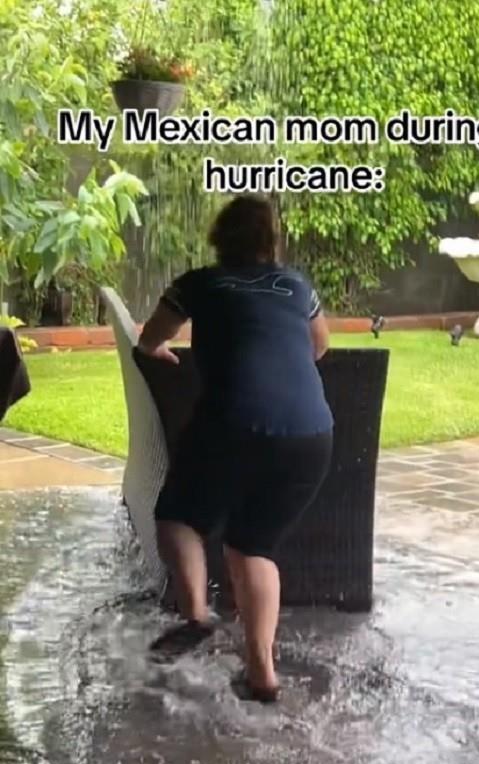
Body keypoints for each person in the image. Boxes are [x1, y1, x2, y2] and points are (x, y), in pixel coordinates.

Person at [136, 194, 334, 704]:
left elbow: (149, 341)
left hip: (233, 421)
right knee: (253, 545)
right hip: (312, 433)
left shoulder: (198, 284)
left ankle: (198, 614)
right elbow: (320, 346)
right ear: (272, 242)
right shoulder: (296, 284)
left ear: (219, 238)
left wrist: (159, 351)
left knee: (180, 517)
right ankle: (262, 670)